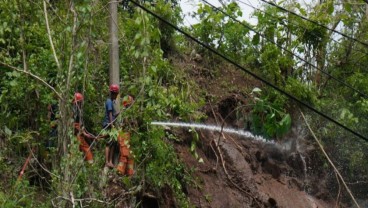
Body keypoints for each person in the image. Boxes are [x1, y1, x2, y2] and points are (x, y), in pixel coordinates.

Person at [73, 92, 96, 164]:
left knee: (77, 148)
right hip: (77, 132)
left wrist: (85, 132)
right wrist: (83, 132)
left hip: (77, 132)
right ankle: (90, 162)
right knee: (85, 147)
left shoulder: (75, 110)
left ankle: (78, 163)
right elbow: (76, 124)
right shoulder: (76, 111)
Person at [116, 95, 134, 175]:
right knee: (124, 155)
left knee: (130, 156)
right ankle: (120, 171)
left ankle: (129, 173)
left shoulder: (129, 113)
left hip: (127, 135)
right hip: (123, 135)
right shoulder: (124, 113)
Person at [103, 84, 120, 168]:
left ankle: (110, 161)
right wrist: (112, 125)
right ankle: (107, 161)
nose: (116, 96)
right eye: (116, 94)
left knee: (113, 143)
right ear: (113, 93)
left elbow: (113, 115)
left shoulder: (112, 102)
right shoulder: (109, 101)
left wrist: (119, 113)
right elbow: (110, 114)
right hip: (108, 124)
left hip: (111, 123)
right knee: (108, 143)